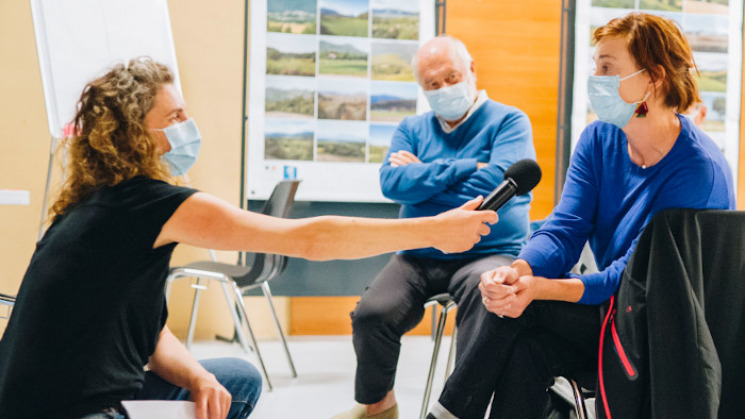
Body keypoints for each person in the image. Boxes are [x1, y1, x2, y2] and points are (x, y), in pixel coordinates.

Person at [0, 58, 499, 419]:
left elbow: (146, 333)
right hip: (71, 408)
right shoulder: (149, 204)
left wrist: (196, 376)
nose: (187, 126)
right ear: (135, 135)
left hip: (34, 394)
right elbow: (312, 239)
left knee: (231, 379)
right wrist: (434, 229)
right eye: (174, 118)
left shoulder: (95, 205)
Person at [426, 13, 735, 419]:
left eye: (608, 68)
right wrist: (520, 270)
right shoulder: (598, 138)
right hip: (608, 313)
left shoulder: (698, 171)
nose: (596, 78)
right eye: (596, 67)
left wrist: (536, 289)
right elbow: (565, 228)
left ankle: (444, 415)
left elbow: (630, 280)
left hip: (656, 328)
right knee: (523, 346)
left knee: (525, 307)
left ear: (654, 77)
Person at [334, 35, 535, 419]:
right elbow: (391, 184)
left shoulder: (509, 121)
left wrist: (420, 178)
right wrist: (466, 167)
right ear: (422, 88)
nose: (443, 89)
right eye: (432, 84)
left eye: (451, 77)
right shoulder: (412, 127)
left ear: (472, 70)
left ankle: (460, 410)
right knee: (372, 314)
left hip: (486, 250)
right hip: (419, 251)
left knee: (488, 302)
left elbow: (497, 186)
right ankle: (378, 405)